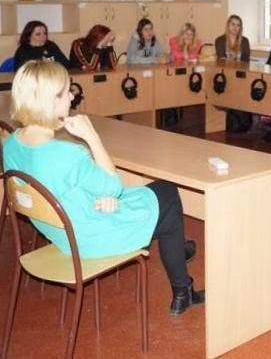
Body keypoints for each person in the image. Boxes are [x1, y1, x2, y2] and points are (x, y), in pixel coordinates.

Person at [3, 61, 204, 314]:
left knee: (158, 204)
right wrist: (92, 137)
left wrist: (97, 198)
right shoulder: (66, 154)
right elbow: (113, 187)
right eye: (66, 92)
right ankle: (183, 288)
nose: (72, 96)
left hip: (64, 233)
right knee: (168, 193)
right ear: (48, 101)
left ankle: (177, 250)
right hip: (90, 237)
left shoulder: (11, 143)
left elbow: (57, 187)